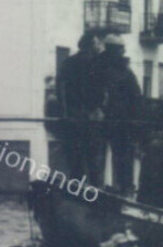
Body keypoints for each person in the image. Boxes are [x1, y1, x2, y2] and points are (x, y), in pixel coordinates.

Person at [56, 32, 107, 183]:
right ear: (90, 45)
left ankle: (81, 192)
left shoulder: (70, 62)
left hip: (80, 114)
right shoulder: (91, 64)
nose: (99, 47)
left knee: (80, 158)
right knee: (89, 158)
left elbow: (61, 88)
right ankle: (91, 193)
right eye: (97, 44)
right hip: (83, 115)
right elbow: (62, 88)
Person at [97, 34, 142, 194]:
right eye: (120, 49)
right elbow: (136, 94)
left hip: (117, 118)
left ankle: (120, 187)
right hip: (111, 118)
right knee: (118, 155)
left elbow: (136, 94)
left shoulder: (120, 68)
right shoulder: (115, 68)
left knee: (119, 154)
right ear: (112, 49)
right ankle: (120, 187)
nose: (123, 51)